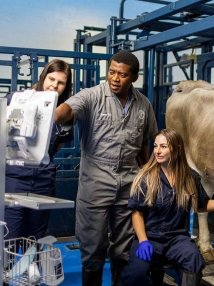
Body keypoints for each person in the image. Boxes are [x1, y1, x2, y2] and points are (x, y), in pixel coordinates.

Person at [54, 50, 158, 286]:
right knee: (93, 247)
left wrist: (149, 175)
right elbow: (66, 111)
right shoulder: (91, 96)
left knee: (123, 248)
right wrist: (52, 111)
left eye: (122, 75)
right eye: (111, 72)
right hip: (96, 181)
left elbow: (144, 143)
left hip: (129, 183)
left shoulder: (143, 105)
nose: (115, 78)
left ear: (133, 77)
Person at [120, 128, 214, 286]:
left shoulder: (189, 177)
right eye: (155, 146)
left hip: (177, 239)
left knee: (193, 259)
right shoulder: (146, 177)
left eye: (163, 147)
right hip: (150, 237)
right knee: (135, 274)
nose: (158, 151)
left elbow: (202, 205)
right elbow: (137, 213)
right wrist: (143, 240)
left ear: (177, 148)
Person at [0, 59, 73, 242]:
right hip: (14, 179)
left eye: (60, 82)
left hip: (43, 181)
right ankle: (7, 271)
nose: (54, 85)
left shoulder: (61, 113)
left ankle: (31, 270)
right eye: (51, 79)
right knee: (9, 236)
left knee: (35, 239)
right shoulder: (16, 99)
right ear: (43, 77)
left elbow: (55, 147)